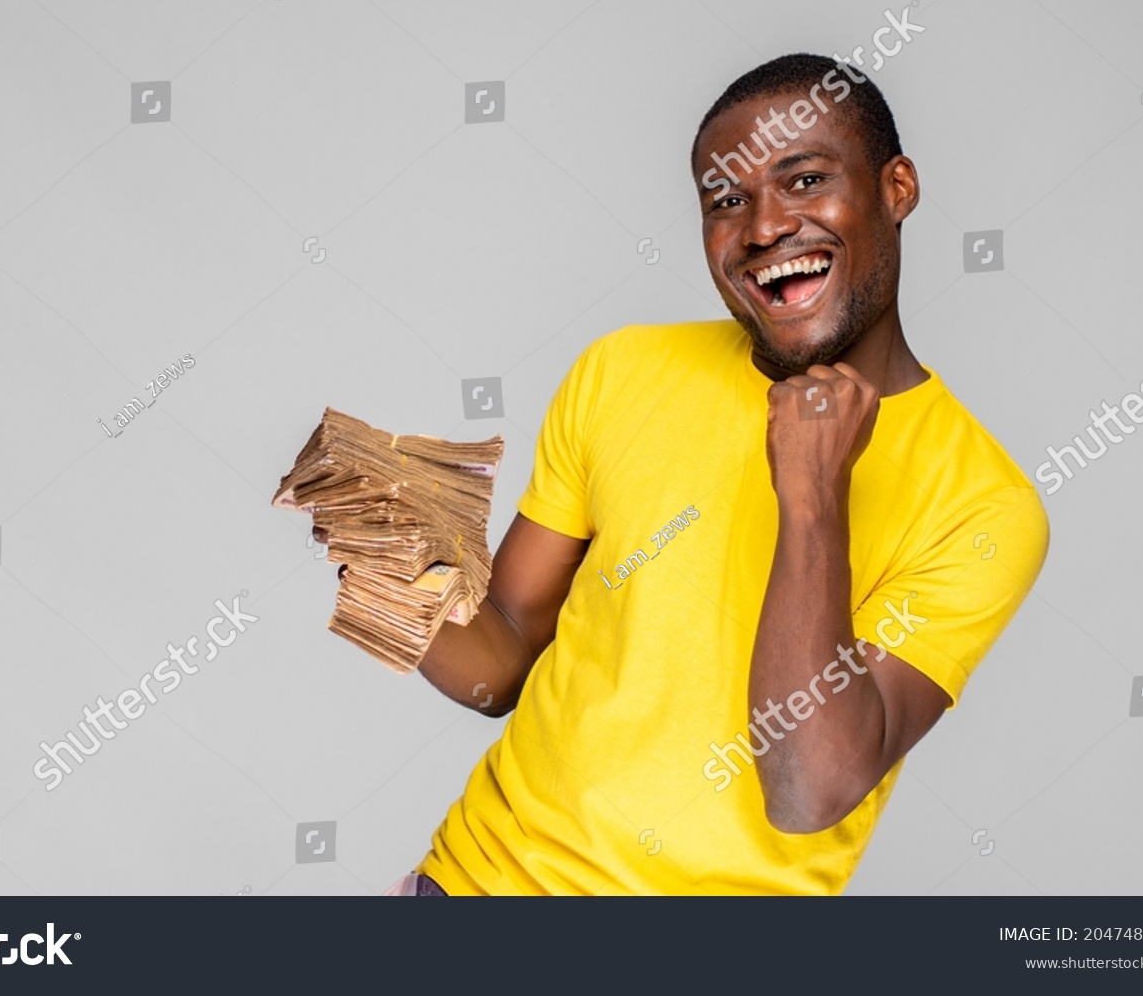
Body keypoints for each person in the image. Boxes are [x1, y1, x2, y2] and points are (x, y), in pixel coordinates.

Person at [381, 52, 1049, 895]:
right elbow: (502, 660)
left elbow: (808, 787)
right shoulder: (623, 368)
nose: (764, 227)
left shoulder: (985, 506)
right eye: (727, 200)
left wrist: (812, 496)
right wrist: (377, 548)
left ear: (897, 189)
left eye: (803, 180)